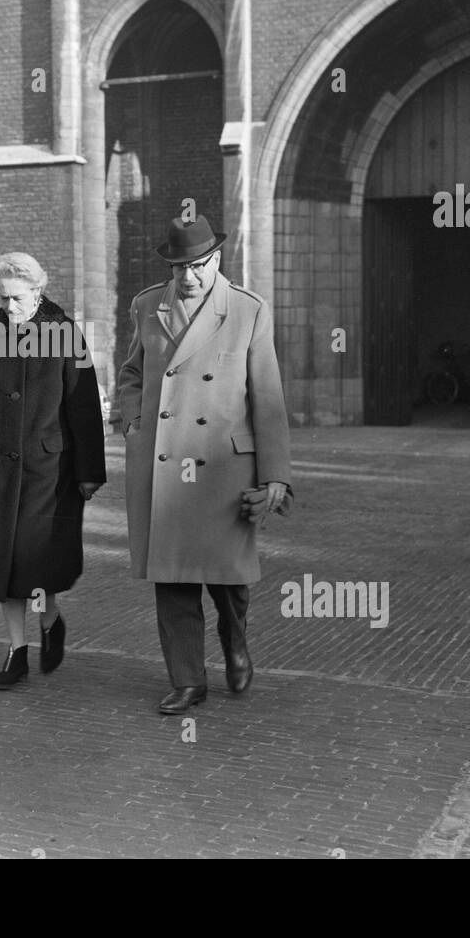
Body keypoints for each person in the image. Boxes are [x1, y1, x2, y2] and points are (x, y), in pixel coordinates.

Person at [118, 215, 293, 715]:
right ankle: (188, 680)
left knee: (227, 579)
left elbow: (269, 400)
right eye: (179, 267)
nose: (189, 277)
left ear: (217, 258)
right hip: (165, 463)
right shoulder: (147, 306)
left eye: (198, 264)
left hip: (223, 467)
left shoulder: (248, 310)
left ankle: (235, 640)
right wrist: (134, 422)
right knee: (172, 579)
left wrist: (276, 475)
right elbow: (131, 373)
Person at [0, 252, 107, 689]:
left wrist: (89, 472)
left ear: (37, 291)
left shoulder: (63, 333)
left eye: (16, 299)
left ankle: (52, 618)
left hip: (50, 471)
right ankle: (16, 652)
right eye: (3, 298)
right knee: (4, 564)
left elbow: (83, 407)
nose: (8, 307)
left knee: (36, 561)